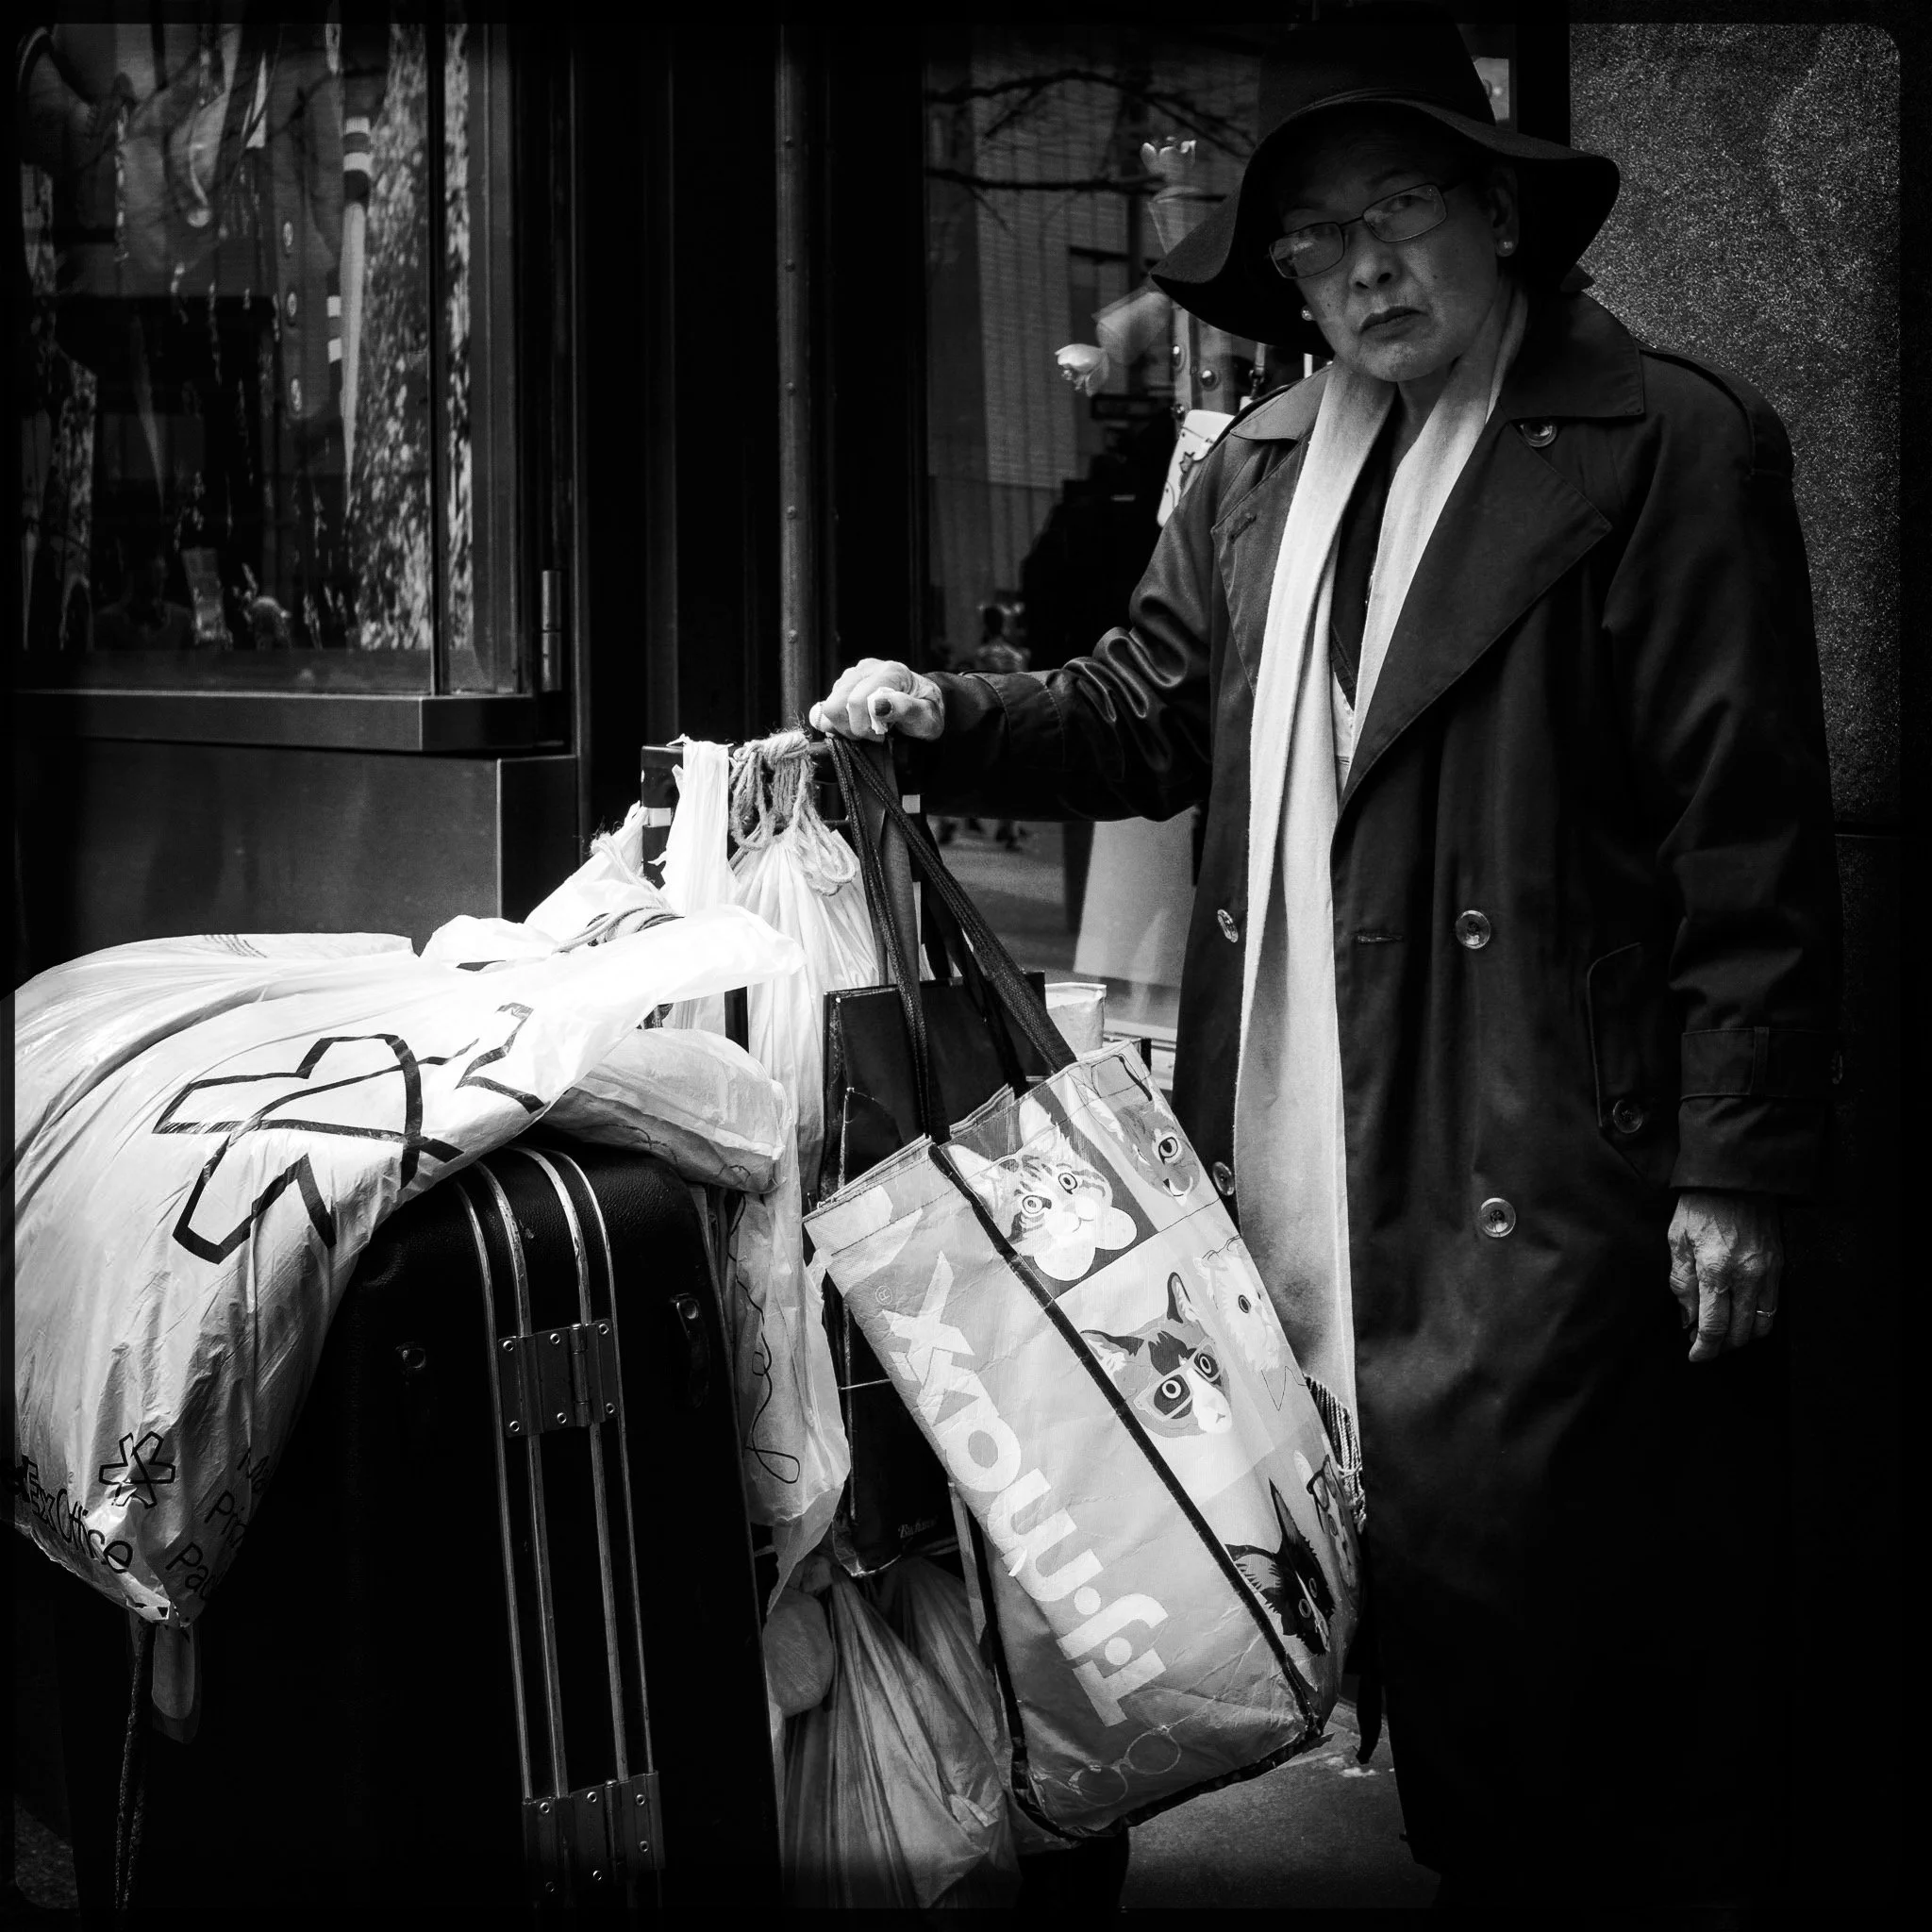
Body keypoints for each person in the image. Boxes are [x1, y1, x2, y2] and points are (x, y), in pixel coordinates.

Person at [810, 2, 1839, 1910]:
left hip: (1542, 1138)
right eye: (1313, 239)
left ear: (1502, 219)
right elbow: (1138, 713)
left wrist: (1735, 1163)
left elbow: (1745, 832)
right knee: (1395, 1575)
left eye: (1401, 212)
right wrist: (942, 717)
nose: (1359, 268)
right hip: (1298, 1117)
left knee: (1553, 1651)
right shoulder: (1261, 460)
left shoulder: (1666, 442)